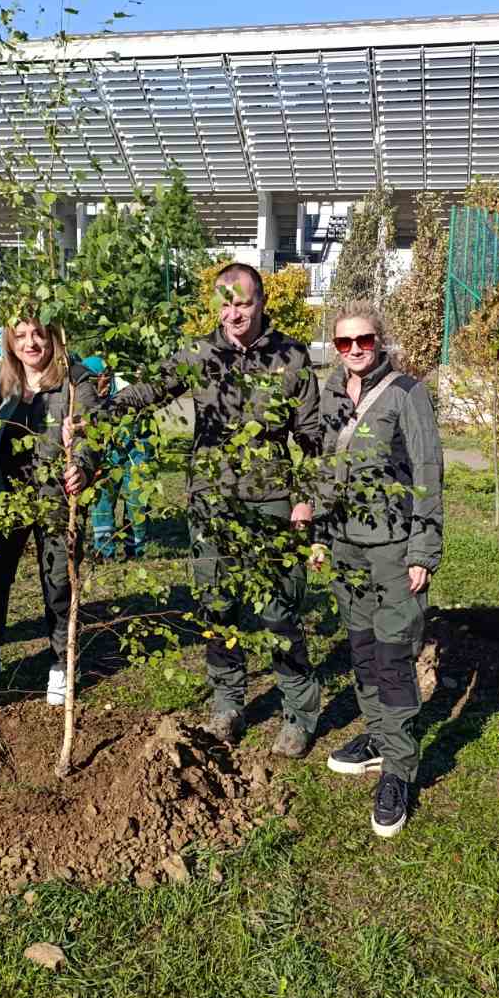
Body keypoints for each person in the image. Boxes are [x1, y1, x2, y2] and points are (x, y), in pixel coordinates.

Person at [96, 263, 321, 757]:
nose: (233, 312)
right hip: (211, 502)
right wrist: (97, 413)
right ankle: (228, 702)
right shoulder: (199, 353)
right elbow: (150, 389)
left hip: (271, 501)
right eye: (225, 303)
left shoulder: (292, 357)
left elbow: (312, 437)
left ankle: (299, 710)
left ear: (262, 303)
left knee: (277, 610)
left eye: (243, 302)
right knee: (218, 607)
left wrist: (305, 499)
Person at [315, 304, 444, 839]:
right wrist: (320, 535)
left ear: (379, 339)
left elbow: (429, 470)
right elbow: (324, 464)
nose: (354, 351)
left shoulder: (405, 393)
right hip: (345, 548)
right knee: (363, 648)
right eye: (344, 343)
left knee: (393, 657)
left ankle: (398, 769)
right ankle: (375, 736)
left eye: (363, 340)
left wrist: (422, 550)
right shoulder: (330, 393)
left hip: (393, 550)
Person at [0, 319, 99, 707]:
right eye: (21, 335)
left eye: (39, 334)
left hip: (55, 497)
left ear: (54, 337)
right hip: (4, 496)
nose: (31, 343)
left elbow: (90, 430)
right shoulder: (0, 377)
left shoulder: (75, 380)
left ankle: (61, 663)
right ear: (9, 342)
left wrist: (80, 464)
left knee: (58, 581)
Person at [80, 354, 151, 560]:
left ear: (107, 376)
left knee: (137, 502)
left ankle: (136, 551)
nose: (95, 384)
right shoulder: (86, 399)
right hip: (106, 457)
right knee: (101, 501)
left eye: (98, 378)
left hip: (136, 454)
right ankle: (104, 552)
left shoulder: (126, 393)